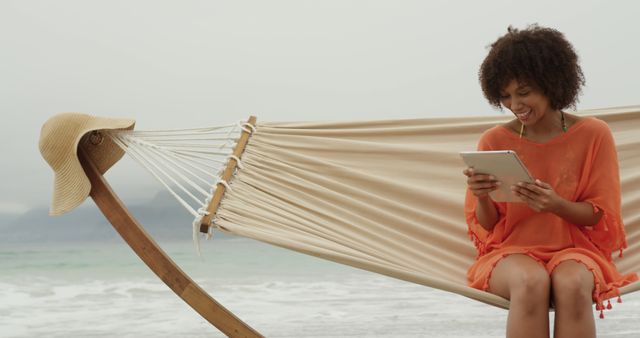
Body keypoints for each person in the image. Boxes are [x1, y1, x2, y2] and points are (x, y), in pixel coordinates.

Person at [463, 25, 638, 338]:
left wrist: (556, 205)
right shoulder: (493, 141)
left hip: (577, 249)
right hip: (511, 251)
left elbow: (599, 215)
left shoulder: (594, 134)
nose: (515, 105)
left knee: (572, 285)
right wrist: (482, 197)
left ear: (551, 82)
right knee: (530, 283)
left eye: (524, 92)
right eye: (505, 96)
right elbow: (488, 226)